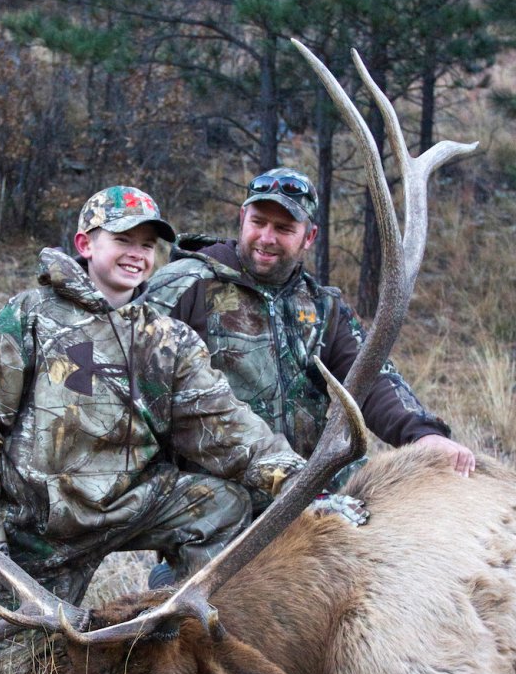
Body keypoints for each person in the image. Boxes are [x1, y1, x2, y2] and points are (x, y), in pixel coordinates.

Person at [0, 185, 366, 650]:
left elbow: (228, 426)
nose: (137, 254)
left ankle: (184, 634)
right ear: (85, 244)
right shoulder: (30, 317)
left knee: (223, 503)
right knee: (24, 657)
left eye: (147, 244)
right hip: (43, 530)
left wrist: (306, 489)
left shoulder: (167, 339)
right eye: (122, 240)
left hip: (130, 506)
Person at [146, 167, 476, 496]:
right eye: (258, 222)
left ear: (310, 236)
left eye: (284, 228)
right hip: (216, 493)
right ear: (242, 218)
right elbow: (134, 383)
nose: (267, 238)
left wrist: (423, 434)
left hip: (306, 486)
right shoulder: (185, 284)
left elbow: (371, 376)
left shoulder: (323, 307)